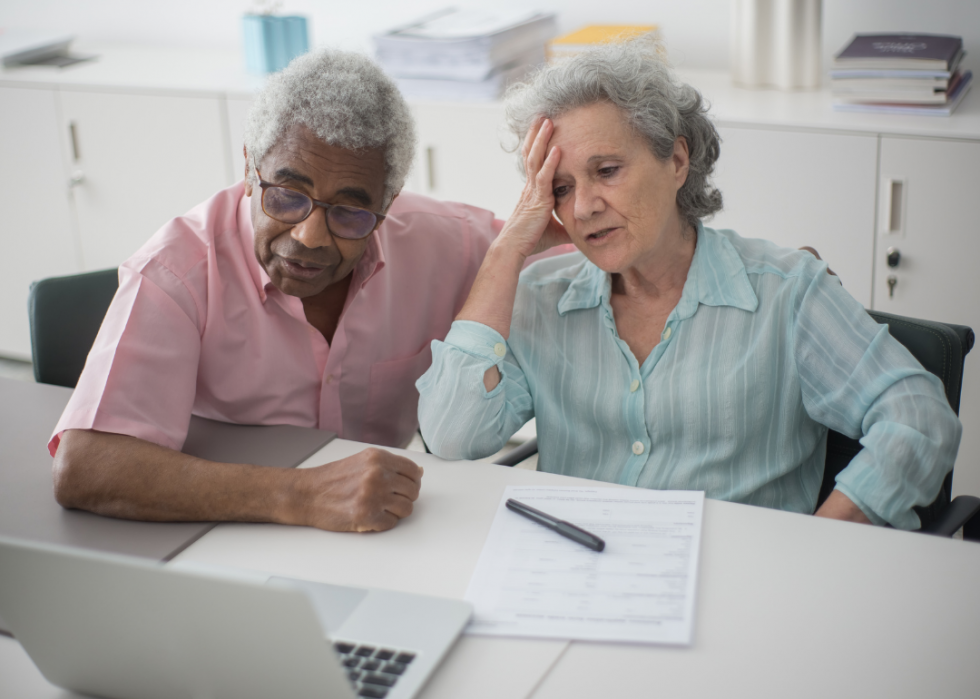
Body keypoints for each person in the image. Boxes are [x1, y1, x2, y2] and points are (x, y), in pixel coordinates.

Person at [416, 39, 961, 530]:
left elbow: (918, 418)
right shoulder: (538, 295)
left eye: (606, 170)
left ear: (677, 160)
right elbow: (451, 435)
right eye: (559, 187)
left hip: (738, 591)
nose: (582, 207)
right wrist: (507, 251)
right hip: (574, 577)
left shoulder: (786, 292)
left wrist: (822, 539)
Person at [50, 48, 507, 533]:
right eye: (287, 196)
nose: (310, 236)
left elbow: (565, 247)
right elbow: (85, 466)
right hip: (219, 533)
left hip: (384, 529)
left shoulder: (445, 242)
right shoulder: (176, 271)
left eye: (349, 213)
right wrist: (302, 495)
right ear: (250, 168)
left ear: (387, 204)